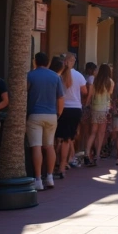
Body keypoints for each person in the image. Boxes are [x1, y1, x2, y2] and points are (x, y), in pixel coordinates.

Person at [27, 53, 64, 191]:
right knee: (49, 146)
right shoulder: (55, 77)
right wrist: (58, 113)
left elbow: (24, 92)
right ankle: (49, 177)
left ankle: (38, 179)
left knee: (36, 146)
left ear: (35, 61)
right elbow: (60, 98)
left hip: (35, 114)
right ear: (48, 63)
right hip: (51, 114)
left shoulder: (30, 75)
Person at [56, 53, 89, 176]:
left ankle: (56, 163)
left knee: (57, 138)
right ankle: (63, 165)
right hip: (75, 108)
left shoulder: (59, 76)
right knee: (67, 139)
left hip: (61, 109)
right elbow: (84, 91)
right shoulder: (79, 75)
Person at [85, 64, 114, 167]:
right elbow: (109, 95)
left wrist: (86, 106)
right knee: (101, 133)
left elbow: (90, 95)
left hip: (95, 108)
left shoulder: (95, 81)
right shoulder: (110, 82)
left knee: (93, 132)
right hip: (104, 109)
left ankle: (87, 152)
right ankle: (97, 154)